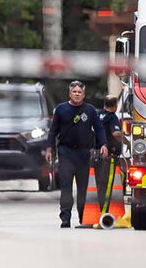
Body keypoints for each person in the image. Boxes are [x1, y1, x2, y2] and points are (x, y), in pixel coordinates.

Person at [46, 81, 107, 228]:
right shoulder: (61, 109)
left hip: (84, 154)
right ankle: (65, 218)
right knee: (66, 186)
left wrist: (103, 145)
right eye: (74, 92)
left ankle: (83, 217)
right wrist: (49, 148)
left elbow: (99, 129)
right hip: (65, 152)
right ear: (70, 93)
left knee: (83, 188)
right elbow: (53, 130)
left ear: (84, 94)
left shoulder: (90, 110)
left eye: (80, 92)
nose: (77, 94)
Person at [95, 96, 122, 211]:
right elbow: (116, 133)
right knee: (107, 183)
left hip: (96, 153)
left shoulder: (97, 115)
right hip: (109, 155)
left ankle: (99, 209)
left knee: (98, 183)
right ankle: (105, 210)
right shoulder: (112, 117)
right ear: (115, 106)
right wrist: (127, 142)